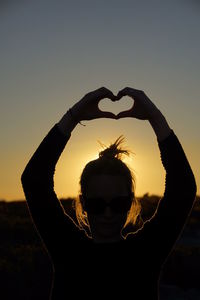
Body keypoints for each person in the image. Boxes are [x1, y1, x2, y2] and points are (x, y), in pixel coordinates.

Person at [21, 87, 197, 300]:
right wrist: (73, 115)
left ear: (131, 202)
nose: (107, 214)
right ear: (83, 203)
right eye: (97, 204)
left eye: (118, 203)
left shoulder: (145, 253)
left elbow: (183, 188)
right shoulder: (68, 249)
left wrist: (154, 116)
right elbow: (34, 180)